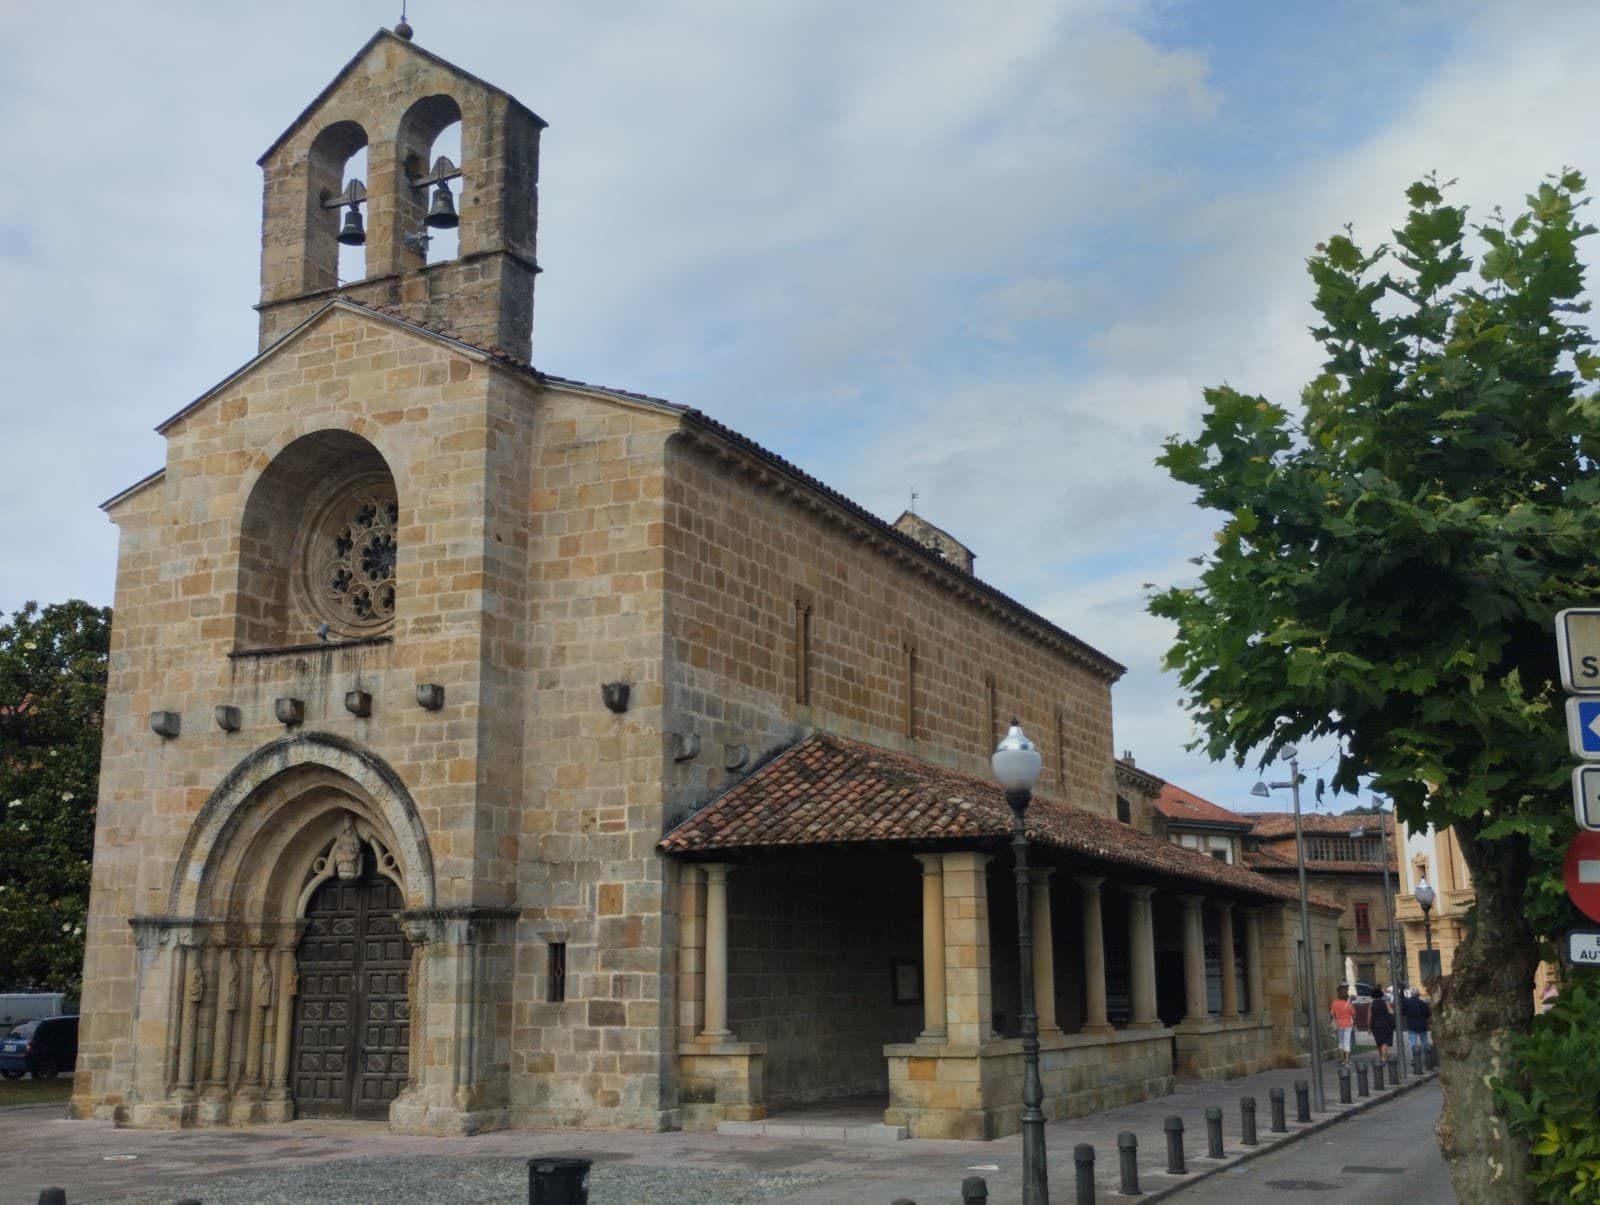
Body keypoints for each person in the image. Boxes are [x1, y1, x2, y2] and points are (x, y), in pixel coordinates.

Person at [1368, 983, 1396, 1063]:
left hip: (1375, 1025)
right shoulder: (1385, 1002)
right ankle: (1383, 1058)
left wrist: (1369, 1027)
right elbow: (1391, 1011)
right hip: (1385, 1024)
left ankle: (1381, 1056)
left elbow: (1369, 1016)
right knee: (1385, 1041)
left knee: (1379, 1041)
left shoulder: (1371, 1004)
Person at [1401, 987, 1431, 1060]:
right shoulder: (1423, 1004)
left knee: (1412, 1043)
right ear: (1418, 995)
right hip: (1422, 1025)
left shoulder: (1407, 1003)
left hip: (1411, 1024)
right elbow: (1428, 1014)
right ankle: (1425, 1058)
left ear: (1411, 994)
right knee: (1424, 1042)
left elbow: (1403, 1013)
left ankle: (1414, 1059)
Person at [1330, 984, 1355, 1066]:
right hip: (1348, 1025)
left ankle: (1342, 1059)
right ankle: (1347, 1060)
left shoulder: (1334, 1003)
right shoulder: (1349, 1004)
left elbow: (1332, 1014)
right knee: (1347, 1042)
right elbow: (1353, 1014)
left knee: (1341, 1042)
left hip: (1339, 1024)